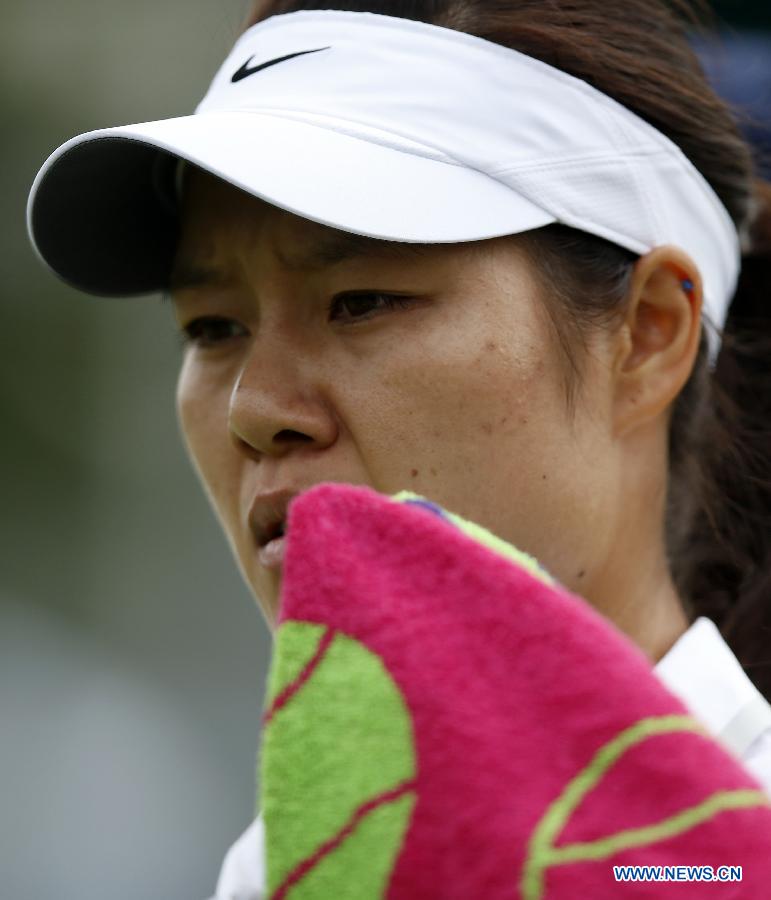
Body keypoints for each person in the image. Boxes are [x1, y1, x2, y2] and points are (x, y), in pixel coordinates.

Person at [26, 1, 771, 897]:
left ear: (649, 334)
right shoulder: (278, 868)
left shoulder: (729, 852)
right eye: (213, 326)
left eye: (363, 301)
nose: (254, 410)